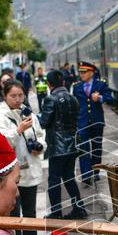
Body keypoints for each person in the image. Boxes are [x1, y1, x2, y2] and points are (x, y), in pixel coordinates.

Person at [0, 80, 47, 235]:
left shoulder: (29, 113)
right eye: (13, 96)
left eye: (20, 95)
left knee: (30, 211)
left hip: (29, 170)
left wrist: (40, 147)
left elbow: (40, 135)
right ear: (5, 96)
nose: (17, 99)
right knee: (13, 213)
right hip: (10, 174)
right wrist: (18, 130)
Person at [39, 70, 86, 219]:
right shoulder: (73, 99)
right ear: (63, 82)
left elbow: (43, 123)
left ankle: (56, 212)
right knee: (69, 177)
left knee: (54, 180)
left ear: (49, 84)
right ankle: (79, 208)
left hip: (57, 148)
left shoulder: (50, 100)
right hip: (72, 145)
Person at [72, 60, 114, 184]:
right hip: (82, 122)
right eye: (80, 72)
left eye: (84, 72)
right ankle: (86, 175)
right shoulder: (76, 86)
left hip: (97, 122)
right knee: (83, 149)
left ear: (92, 72)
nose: (82, 74)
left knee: (96, 148)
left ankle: (95, 171)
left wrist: (100, 98)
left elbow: (110, 99)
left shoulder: (101, 85)